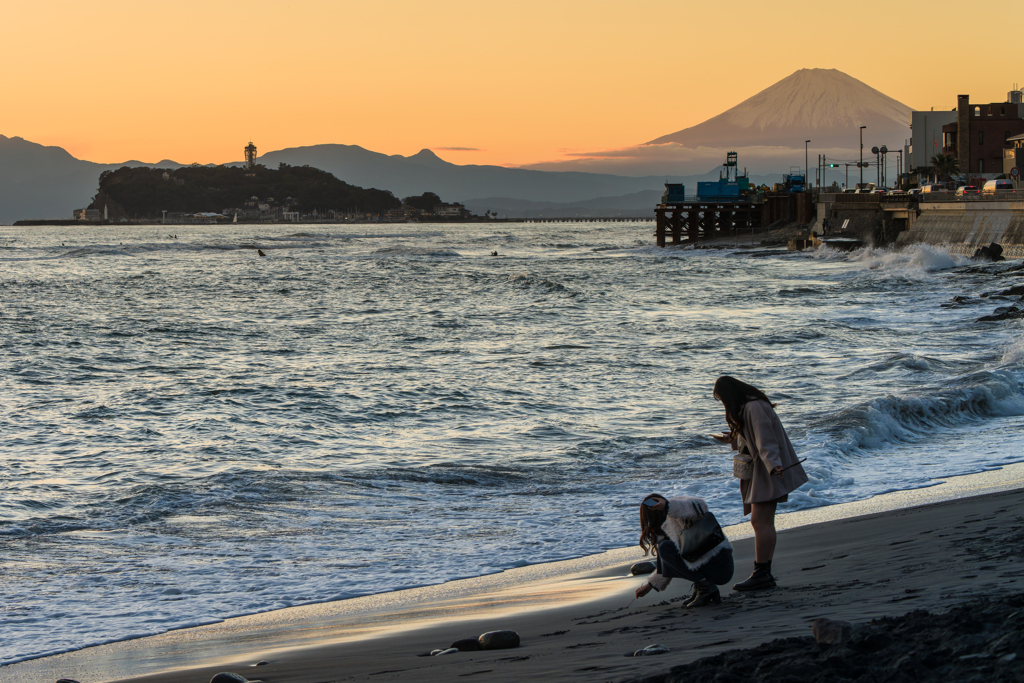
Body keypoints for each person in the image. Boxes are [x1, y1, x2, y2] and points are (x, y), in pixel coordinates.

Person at [712, 376, 808, 591]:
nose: (723, 404)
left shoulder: (754, 406)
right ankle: (763, 572)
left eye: (721, 399)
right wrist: (732, 439)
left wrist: (773, 465)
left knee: (760, 522)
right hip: (765, 469)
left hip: (767, 470)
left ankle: (762, 573)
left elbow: (766, 439)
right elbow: (755, 437)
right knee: (762, 522)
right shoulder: (751, 405)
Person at [633, 494, 734, 608]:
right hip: (715, 567)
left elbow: (701, 506)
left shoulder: (678, 509)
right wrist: (650, 585)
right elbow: (669, 564)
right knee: (665, 548)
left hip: (721, 563)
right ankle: (703, 586)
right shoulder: (665, 531)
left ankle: (706, 588)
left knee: (665, 547)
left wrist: (668, 506)